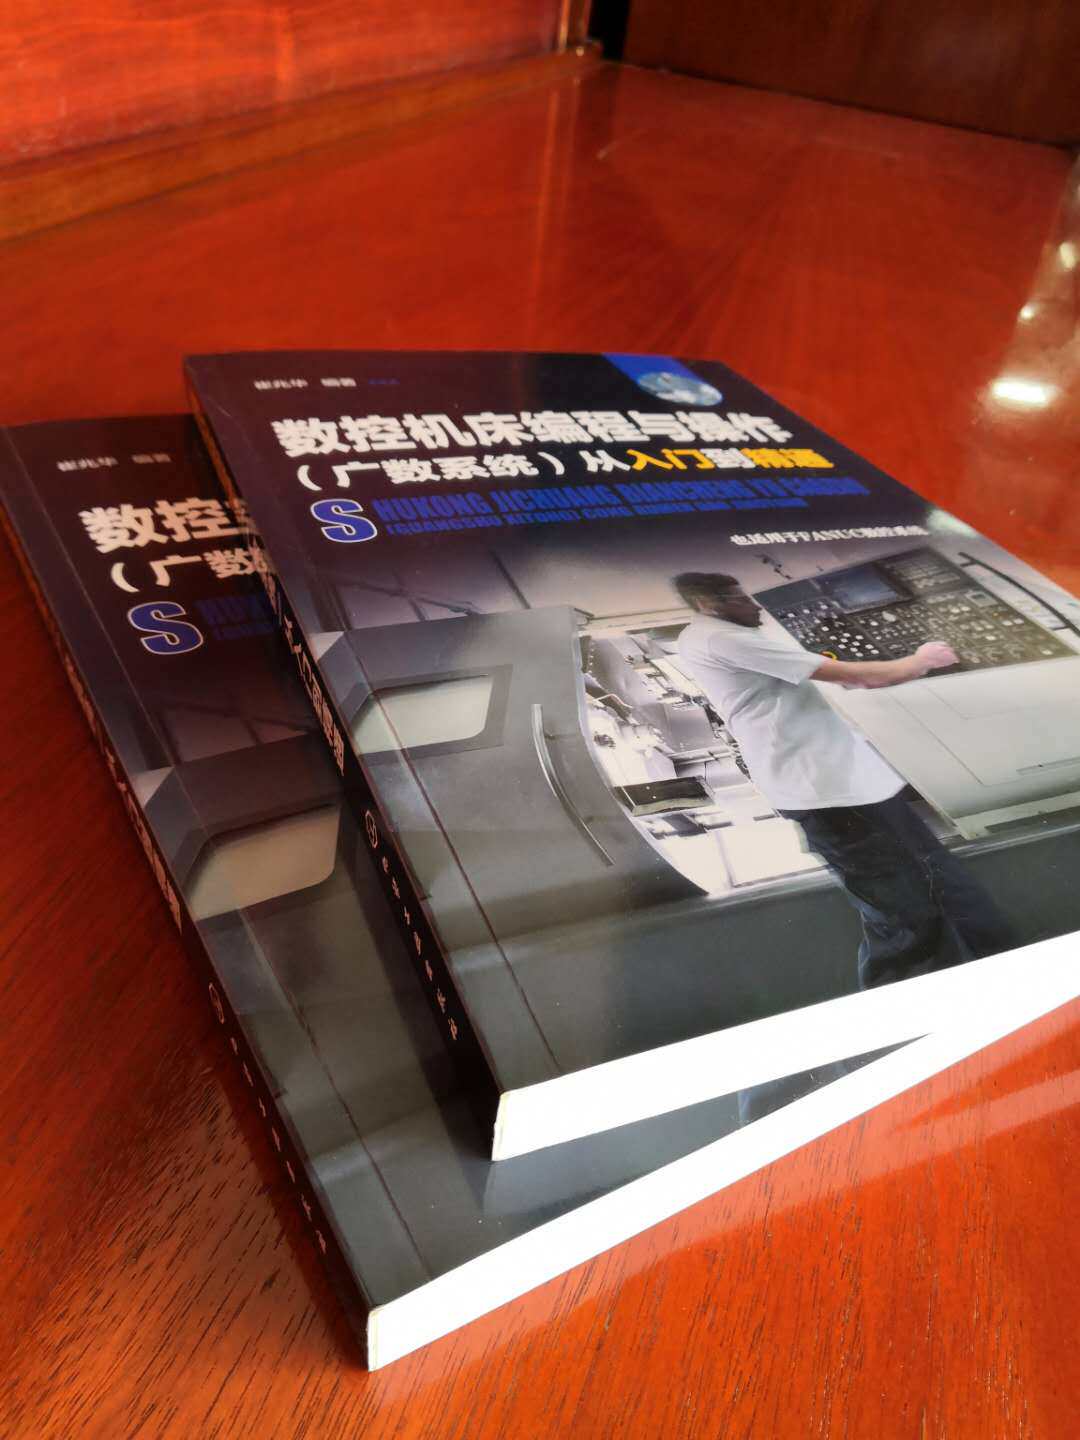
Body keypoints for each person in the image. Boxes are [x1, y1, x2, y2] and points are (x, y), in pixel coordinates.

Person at [672, 571, 1016, 988]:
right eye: (741, 599)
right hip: (826, 794)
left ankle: (1005, 972)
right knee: (903, 914)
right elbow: (862, 676)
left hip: (853, 787)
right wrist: (923, 659)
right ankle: (906, 1008)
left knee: (945, 885)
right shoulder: (719, 637)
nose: (755, 604)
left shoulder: (716, 636)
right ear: (709, 605)